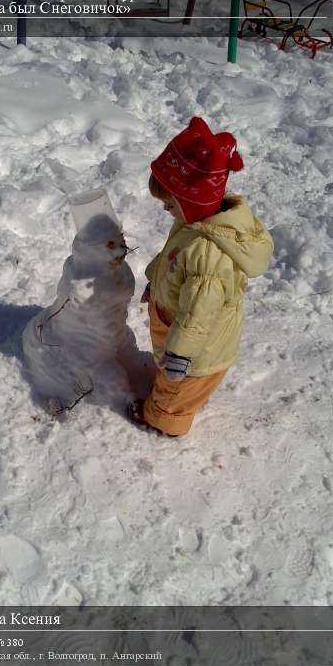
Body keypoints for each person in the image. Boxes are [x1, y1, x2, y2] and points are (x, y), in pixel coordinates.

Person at [127, 117, 274, 437]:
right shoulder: (195, 222)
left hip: (197, 348)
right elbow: (172, 255)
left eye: (169, 204)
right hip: (177, 327)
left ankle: (163, 420)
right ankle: (171, 385)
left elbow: (198, 314)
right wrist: (155, 281)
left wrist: (180, 354)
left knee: (175, 391)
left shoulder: (209, 255)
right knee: (172, 377)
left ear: (191, 200)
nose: (166, 211)